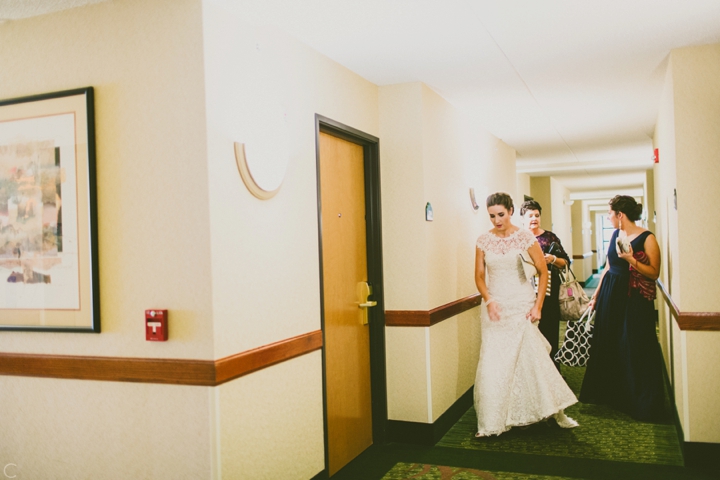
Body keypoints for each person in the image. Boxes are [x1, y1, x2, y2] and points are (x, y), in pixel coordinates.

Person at [473, 192, 578, 437]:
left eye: (501, 214)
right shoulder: (482, 241)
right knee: (494, 361)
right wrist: (488, 299)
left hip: (521, 304)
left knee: (529, 358)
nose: (497, 220)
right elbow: (479, 276)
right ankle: (493, 420)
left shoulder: (524, 238)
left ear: (510, 211)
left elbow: (543, 272)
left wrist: (538, 306)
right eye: (491, 216)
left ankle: (545, 409)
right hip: (495, 307)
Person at [580, 195, 665, 420]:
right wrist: (596, 296)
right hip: (611, 291)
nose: (609, 216)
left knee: (633, 341)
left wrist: (630, 260)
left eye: (610, 213)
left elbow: (654, 272)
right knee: (609, 339)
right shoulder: (616, 234)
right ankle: (612, 394)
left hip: (633, 296)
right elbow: (608, 266)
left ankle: (639, 399)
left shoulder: (647, 238)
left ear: (620, 214)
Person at [520, 200, 570, 368]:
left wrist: (552, 259)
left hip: (548, 289)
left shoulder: (549, 238)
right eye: (530, 216)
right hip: (524, 289)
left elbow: (566, 262)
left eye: (537, 215)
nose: (534, 219)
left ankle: (552, 369)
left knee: (548, 329)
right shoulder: (518, 238)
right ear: (522, 219)